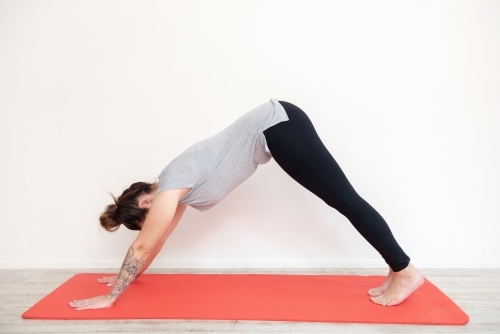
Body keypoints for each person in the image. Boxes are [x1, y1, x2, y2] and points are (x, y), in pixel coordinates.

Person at [69, 98, 424, 311]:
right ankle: (396, 270)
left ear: (146, 201)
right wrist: (125, 279)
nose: (151, 224)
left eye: (144, 220)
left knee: (346, 202)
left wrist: (111, 298)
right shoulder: (175, 186)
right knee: (345, 202)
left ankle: (405, 271)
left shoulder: (168, 188)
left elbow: (146, 241)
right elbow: (156, 242)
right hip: (279, 126)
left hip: (279, 125)